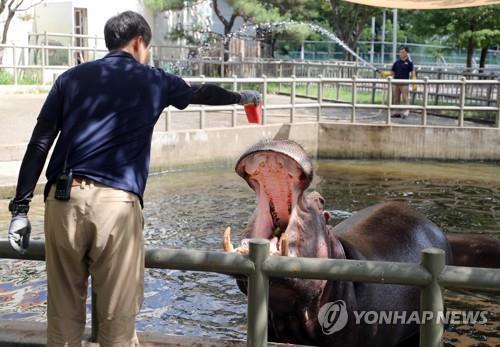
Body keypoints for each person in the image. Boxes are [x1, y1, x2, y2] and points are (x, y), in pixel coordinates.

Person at [7, 11, 261, 347]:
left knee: (62, 323)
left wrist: (20, 209)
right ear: (139, 42)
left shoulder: (70, 79)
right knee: (118, 324)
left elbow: (40, 142)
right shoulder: (152, 79)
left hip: (62, 201)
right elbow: (202, 92)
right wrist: (242, 98)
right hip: (116, 205)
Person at [390, 46, 416, 118]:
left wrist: (414, 82)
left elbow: (413, 72)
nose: (401, 53)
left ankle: (406, 111)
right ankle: (396, 111)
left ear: (407, 53)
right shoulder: (396, 62)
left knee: (405, 97)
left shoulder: (410, 63)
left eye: (403, 52)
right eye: (400, 52)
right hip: (396, 82)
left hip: (404, 83)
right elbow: (392, 72)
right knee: (396, 98)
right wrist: (388, 75)